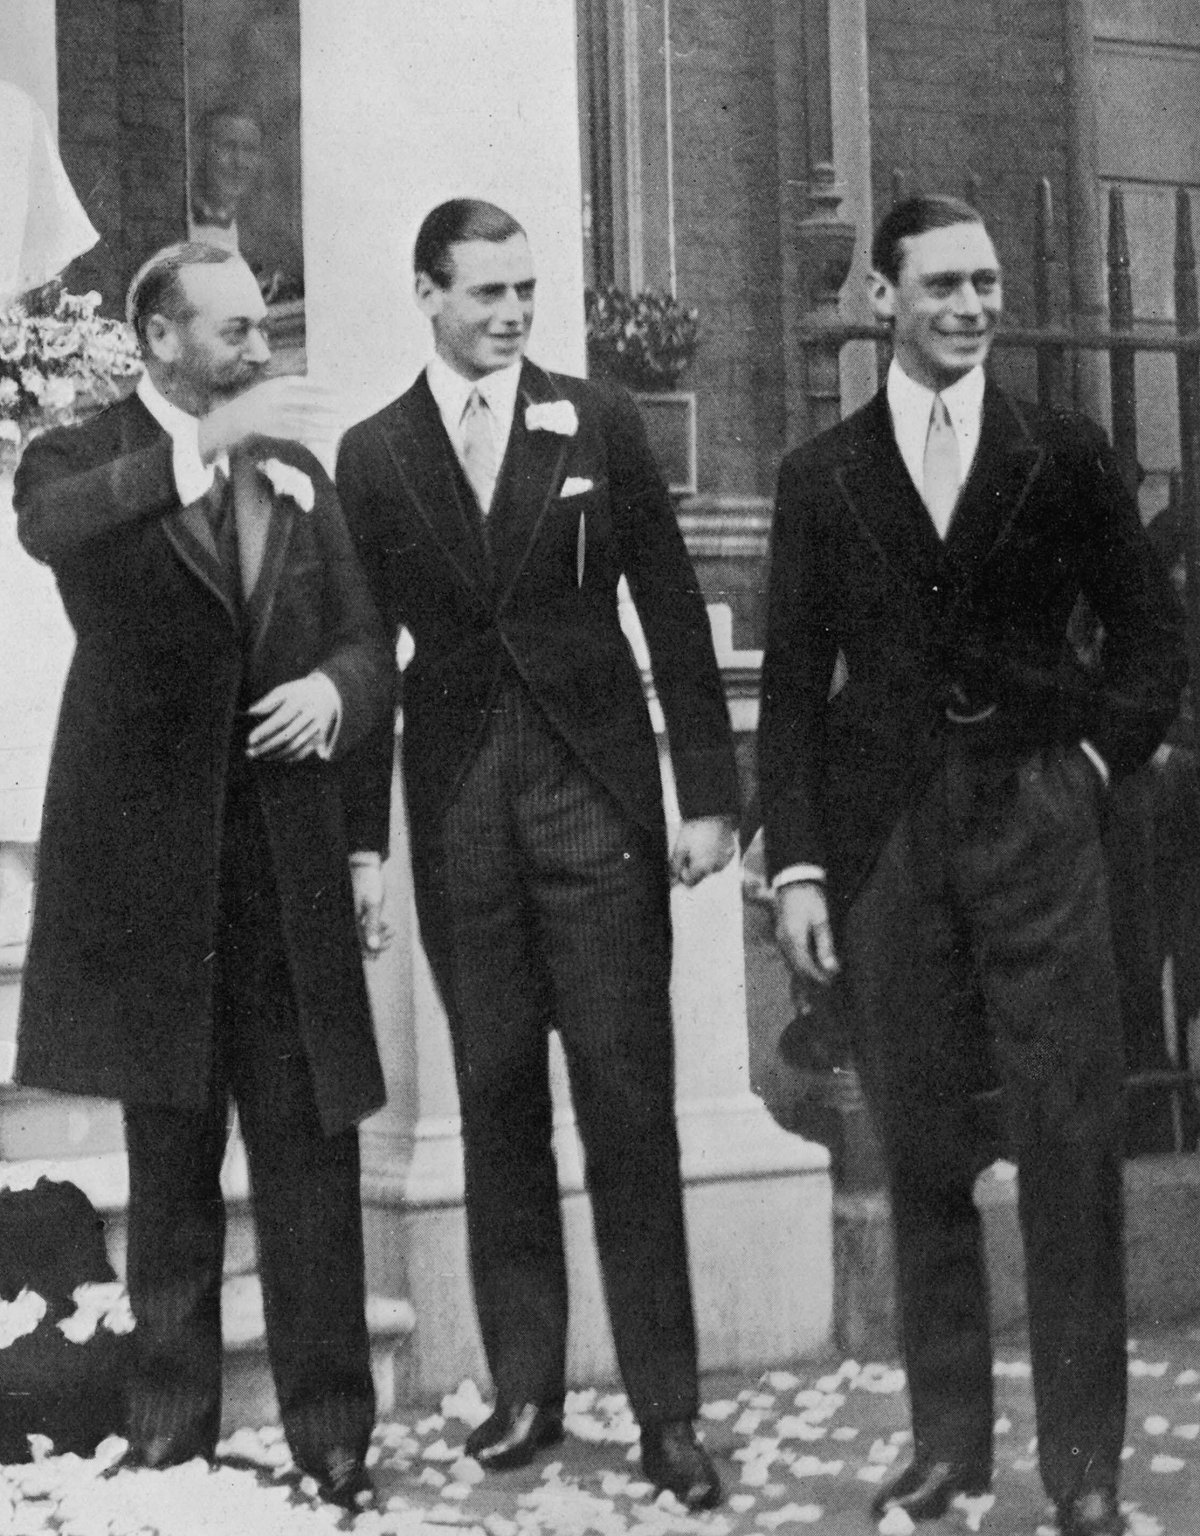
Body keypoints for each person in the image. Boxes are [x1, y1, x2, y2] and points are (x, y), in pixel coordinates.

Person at [758, 196, 1186, 1536]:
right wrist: (806, 871)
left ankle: (1085, 1471)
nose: (973, 307)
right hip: (889, 843)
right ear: (882, 298)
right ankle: (947, 1449)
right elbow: (787, 695)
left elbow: (1152, 648)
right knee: (925, 1148)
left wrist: (1092, 777)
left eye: (988, 284)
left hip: (1038, 827)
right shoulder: (821, 477)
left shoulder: (1063, 455)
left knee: (1068, 1147)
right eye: (941, 285)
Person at [336, 198, 739, 1509]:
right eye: (487, 292)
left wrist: (706, 797)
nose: (512, 314)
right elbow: (359, 654)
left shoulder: (595, 419)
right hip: (459, 803)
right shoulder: (377, 451)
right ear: (427, 292)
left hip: (597, 798)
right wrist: (362, 849)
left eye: (526, 290)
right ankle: (527, 1393)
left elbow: (670, 605)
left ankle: (670, 1414)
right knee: (497, 1096)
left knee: (628, 1102)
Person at [14, 241, 393, 1509]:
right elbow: (59, 532)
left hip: (282, 875)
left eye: (263, 328)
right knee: (171, 1173)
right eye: (231, 330)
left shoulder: (294, 473)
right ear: (161, 341)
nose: (259, 348)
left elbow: (365, 638)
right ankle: (174, 1424)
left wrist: (332, 695)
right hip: (156, 887)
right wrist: (201, 444)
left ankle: (333, 1434)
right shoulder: (77, 461)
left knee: (310, 1164)